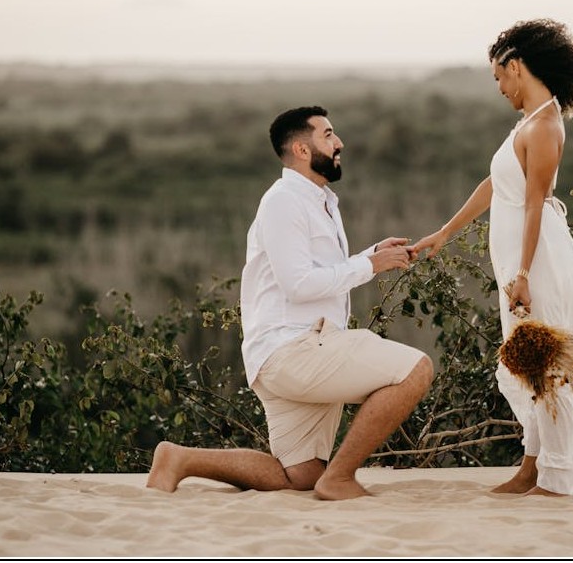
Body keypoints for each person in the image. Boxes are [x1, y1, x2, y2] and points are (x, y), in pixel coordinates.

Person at [147, 106, 433, 501]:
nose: (339, 143)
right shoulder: (283, 202)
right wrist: (369, 265)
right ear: (301, 149)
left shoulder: (318, 201)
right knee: (415, 370)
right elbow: (298, 285)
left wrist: (373, 253)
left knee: (297, 476)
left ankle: (180, 459)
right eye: (328, 135)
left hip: (290, 354)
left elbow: (319, 271)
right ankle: (341, 478)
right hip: (295, 349)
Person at [410, 19, 573, 497]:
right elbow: (497, 185)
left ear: (516, 66)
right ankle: (531, 468)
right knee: (529, 364)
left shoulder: (547, 125)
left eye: (498, 76)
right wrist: (445, 233)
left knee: (547, 367)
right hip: (521, 262)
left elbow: (534, 203)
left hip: (539, 264)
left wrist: (524, 274)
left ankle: (557, 479)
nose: (499, 88)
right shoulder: (528, 123)